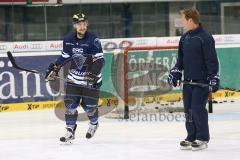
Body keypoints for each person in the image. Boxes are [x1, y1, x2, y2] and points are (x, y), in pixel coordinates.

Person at [45, 13, 105, 143]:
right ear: (74, 26)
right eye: (79, 24)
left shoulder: (93, 40)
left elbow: (100, 61)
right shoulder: (68, 39)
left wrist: (92, 74)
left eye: (84, 24)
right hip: (74, 79)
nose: (82, 27)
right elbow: (64, 57)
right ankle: (70, 131)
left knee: (90, 108)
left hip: (91, 81)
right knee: (70, 106)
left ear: (87, 24)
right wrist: (54, 68)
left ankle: (94, 124)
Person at [168, 8, 219, 151]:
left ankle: (202, 137)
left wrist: (213, 76)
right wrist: (176, 72)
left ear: (190, 20)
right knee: (188, 110)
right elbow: (181, 59)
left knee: (197, 109)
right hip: (188, 83)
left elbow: (211, 60)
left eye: (183, 20)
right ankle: (191, 136)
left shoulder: (205, 38)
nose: (182, 23)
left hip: (201, 82)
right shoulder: (184, 38)